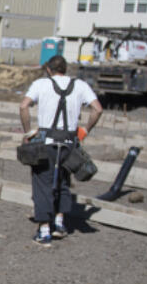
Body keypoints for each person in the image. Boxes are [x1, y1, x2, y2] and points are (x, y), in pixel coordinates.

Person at [19, 55, 102, 246]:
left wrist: (28, 132)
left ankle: (44, 230)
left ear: (49, 69)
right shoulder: (80, 85)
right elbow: (97, 109)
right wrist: (86, 130)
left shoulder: (41, 84)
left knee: (42, 185)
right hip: (69, 142)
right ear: (65, 69)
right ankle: (59, 223)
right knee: (63, 181)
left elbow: (24, 106)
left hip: (46, 141)